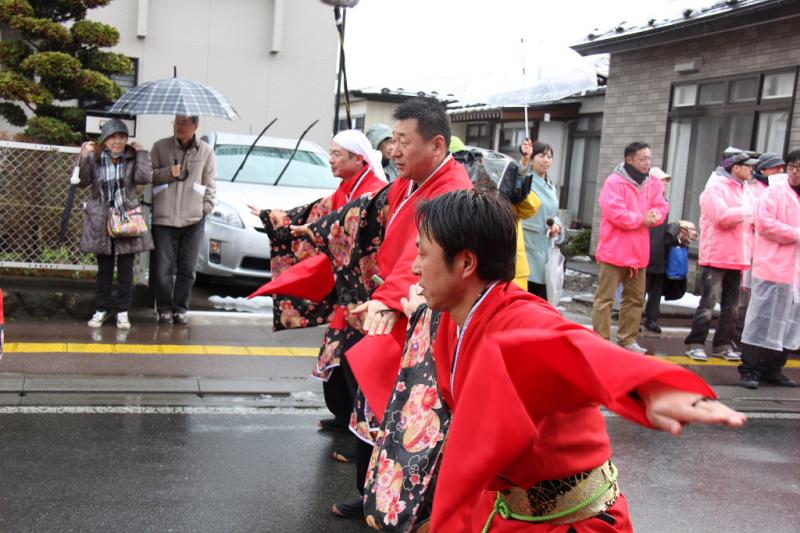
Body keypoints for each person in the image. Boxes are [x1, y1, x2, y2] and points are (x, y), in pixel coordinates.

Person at [354, 189, 745, 531]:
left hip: (570, 522)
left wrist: (649, 388)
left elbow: (576, 348)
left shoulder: (521, 319)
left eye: (422, 253)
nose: (415, 266)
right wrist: (409, 312)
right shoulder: (452, 317)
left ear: (466, 264)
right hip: (505, 510)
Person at [247, 129, 386, 431]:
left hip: (368, 294)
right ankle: (343, 417)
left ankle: (358, 430)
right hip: (347, 292)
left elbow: (332, 228)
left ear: (358, 159)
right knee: (337, 356)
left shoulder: (375, 192)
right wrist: (275, 217)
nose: (331, 159)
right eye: (332, 152)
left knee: (356, 361)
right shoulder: (344, 190)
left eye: (337, 154)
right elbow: (313, 214)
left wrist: (315, 229)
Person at [592, 142, 669, 353]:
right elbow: (616, 213)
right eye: (643, 158)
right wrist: (642, 218)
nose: (647, 163)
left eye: (649, 159)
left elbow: (661, 205)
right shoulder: (614, 182)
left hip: (639, 253)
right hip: (613, 251)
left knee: (635, 300)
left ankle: (628, 339)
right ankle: (600, 339)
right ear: (629, 159)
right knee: (605, 299)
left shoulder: (653, 182)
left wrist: (657, 216)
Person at [78, 119, 154, 330]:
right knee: (104, 268)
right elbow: (83, 181)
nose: (118, 141)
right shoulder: (95, 159)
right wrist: (84, 157)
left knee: (126, 269)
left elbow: (144, 177)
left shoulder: (131, 157)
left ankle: (122, 311)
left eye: (122, 137)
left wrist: (142, 154)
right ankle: (102, 308)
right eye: (113, 137)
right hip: (102, 218)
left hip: (126, 217)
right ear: (105, 139)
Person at [684, 150, 758, 362]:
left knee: (732, 306)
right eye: (748, 166)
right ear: (735, 168)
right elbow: (722, 217)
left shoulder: (746, 189)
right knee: (708, 302)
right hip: (717, 254)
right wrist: (751, 211)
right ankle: (695, 342)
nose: (752, 169)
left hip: (739, 255)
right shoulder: (714, 186)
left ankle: (722, 344)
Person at [738, 150, 800, 389]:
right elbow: (765, 225)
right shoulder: (773, 192)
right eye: (792, 166)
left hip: (796, 273)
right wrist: (796, 234)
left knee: (790, 322)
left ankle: (773, 369)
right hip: (774, 268)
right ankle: (749, 369)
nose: (795, 171)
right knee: (760, 319)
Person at [150, 115, 216, 325]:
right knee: (163, 269)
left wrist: (205, 208)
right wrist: (168, 173)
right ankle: (164, 308)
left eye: (184, 123)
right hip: (164, 217)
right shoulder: (160, 147)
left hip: (193, 218)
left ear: (195, 126)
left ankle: (180, 308)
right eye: (177, 123)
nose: (179, 127)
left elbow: (210, 182)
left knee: (188, 269)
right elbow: (148, 175)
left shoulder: (205, 150)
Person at [520, 140, 563, 300]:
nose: (546, 160)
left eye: (550, 157)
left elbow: (553, 213)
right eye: (542, 155)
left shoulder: (550, 186)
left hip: (546, 247)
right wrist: (524, 159)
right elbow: (519, 177)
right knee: (528, 292)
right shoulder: (526, 181)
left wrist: (557, 226)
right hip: (528, 245)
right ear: (532, 159)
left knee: (543, 297)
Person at [642, 167, 675, 334]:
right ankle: (638, 319)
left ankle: (651, 318)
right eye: (663, 180)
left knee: (655, 288)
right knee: (642, 288)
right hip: (647, 250)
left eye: (666, 181)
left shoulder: (663, 200)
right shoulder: (646, 198)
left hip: (660, 249)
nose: (666, 183)